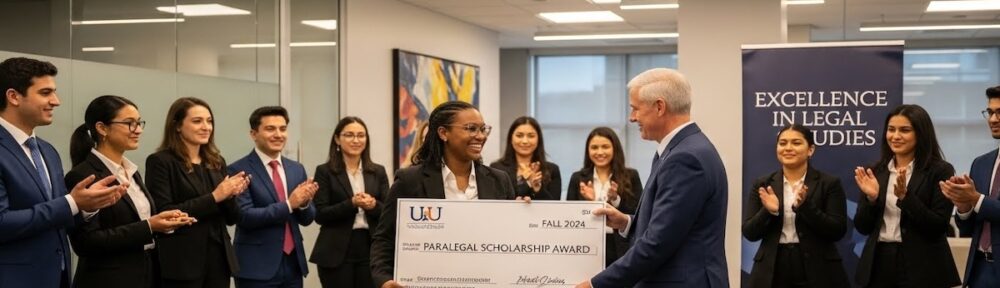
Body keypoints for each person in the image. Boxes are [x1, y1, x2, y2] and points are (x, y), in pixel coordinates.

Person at [577, 68, 729, 287]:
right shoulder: (681, 149)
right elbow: (671, 225)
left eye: (635, 109)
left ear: (659, 107)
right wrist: (627, 223)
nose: (631, 118)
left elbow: (658, 243)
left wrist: (595, 284)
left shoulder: (684, 158)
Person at [0, 57, 126, 288]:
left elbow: (59, 216)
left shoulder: (47, 151)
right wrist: (71, 203)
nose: (56, 101)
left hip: (57, 277)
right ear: (14, 96)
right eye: (45, 92)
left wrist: (87, 206)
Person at [371, 101, 515, 288]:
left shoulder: (499, 180)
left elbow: (511, 239)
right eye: (471, 129)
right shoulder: (410, 180)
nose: (480, 136)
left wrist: (523, 214)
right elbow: (384, 239)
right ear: (443, 133)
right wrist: (383, 279)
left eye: (483, 129)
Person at [65, 95, 195, 288]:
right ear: (102, 128)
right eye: (129, 123)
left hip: (145, 275)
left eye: (139, 123)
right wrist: (150, 226)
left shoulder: (131, 172)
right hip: (108, 280)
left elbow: (133, 224)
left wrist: (163, 222)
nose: (138, 130)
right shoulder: (83, 175)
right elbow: (86, 243)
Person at [146, 97, 250, 288]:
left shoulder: (216, 162)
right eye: (197, 121)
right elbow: (166, 213)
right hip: (182, 261)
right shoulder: (160, 162)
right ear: (177, 126)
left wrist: (231, 195)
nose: (206, 127)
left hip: (218, 259)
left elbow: (232, 218)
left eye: (209, 121)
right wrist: (216, 196)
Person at [853, 104, 960, 287]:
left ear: (921, 134)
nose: (895, 136)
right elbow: (862, 227)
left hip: (923, 265)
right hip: (879, 261)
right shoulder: (876, 171)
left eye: (905, 130)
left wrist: (906, 197)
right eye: (891, 129)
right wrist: (872, 199)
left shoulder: (940, 170)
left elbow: (938, 226)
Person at [742, 124, 849, 288]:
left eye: (796, 143)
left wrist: (806, 206)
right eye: (783, 143)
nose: (788, 148)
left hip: (818, 268)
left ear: (810, 150)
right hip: (773, 267)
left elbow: (837, 230)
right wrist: (769, 211)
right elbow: (749, 232)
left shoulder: (829, 183)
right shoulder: (762, 184)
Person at [229, 106, 317, 288]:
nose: (278, 134)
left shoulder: (296, 168)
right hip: (256, 267)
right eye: (270, 129)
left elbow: (307, 219)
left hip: (293, 264)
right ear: (253, 134)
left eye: (283, 129)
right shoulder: (238, 170)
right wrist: (290, 204)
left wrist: (304, 202)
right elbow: (245, 216)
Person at [311, 116, 388, 288]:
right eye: (349, 135)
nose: (356, 140)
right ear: (337, 139)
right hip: (336, 249)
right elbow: (320, 214)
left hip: (371, 248)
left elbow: (389, 212)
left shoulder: (378, 171)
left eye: (361, 135)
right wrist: (352, 203)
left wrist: (373, 205)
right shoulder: (325, 171)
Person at [940, 86, 1000, 287]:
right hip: (980, 270)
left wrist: (976, 199)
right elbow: (967, 229)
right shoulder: (980, 163)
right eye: (990, 112)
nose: (992, 119)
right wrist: (964, 206)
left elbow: (982, 203)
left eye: (999, 113)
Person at [566, 127, 642, 267]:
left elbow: (638, 215)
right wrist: (590, 203)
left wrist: (615, 200)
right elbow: (570, 217)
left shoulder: (631, 176)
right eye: (594, 147)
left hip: (620, 246)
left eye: (605, 147)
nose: (600, 152)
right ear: (588, 151)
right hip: (587, 246)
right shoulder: (578, 178)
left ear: (615, 149)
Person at [490, 116, 562, 200]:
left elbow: (555, 207)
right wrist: (527, 184)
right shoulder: (496, 168)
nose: (525, 141)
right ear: (511, 138)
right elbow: (494, 203)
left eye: (531, 136)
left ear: (538, 139)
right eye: (519, 135)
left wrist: (538, 189)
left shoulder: (552, 170)